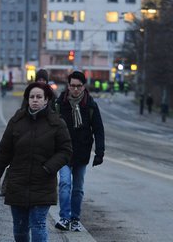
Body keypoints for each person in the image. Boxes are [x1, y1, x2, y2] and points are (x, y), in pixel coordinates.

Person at [0, 82, 72, 242]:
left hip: (43, 184)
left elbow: (66, 151)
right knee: (19, 228)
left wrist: (48, 167)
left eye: (39, 97)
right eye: (31, 97)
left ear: (46, 100)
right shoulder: (17, 121)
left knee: (38, 224)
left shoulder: (56, 123)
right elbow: (3, 153)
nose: (35, 100)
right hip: (17, 183)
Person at [54, 71, 105, 233]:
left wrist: (99, 152)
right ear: (68, 86)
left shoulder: (90, 105)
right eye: (72, 86)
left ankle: (75, 219)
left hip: (82, 153)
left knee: (77, 188)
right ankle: (64, 217)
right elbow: (51, 128)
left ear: (84, 87)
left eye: (79, 86)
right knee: (64, 183)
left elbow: (98, 129)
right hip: (62, 152)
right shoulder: (59, 104)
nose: (75, 89)